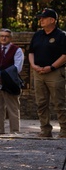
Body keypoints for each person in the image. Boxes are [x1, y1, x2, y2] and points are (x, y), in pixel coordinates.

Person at [29, 8, 66, 138]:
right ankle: (45, 130)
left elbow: (65, 55)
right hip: (38, 73)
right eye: (40, 18)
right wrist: (33, 65)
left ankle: (64, 130)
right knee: (41, 103)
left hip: (55, 73)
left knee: (59, 103)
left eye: (44, 18)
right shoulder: (37, 35)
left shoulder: (61, 35)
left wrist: (52, 67)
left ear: (52, 20)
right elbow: (31, 52)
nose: (41, 20)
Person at [0, 28, 23, 134]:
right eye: (2, 36)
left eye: (6, 36)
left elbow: (17, 67)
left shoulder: (17, 50)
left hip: (11, 81)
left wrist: (4, 76)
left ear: (10, 38)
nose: (3, 38)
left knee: (13, 107)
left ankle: (15, 131)